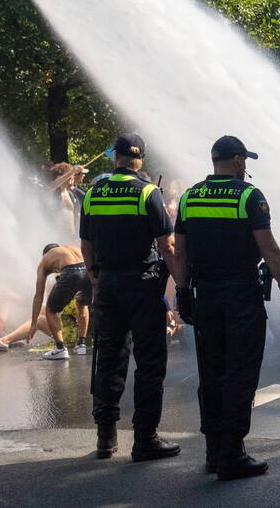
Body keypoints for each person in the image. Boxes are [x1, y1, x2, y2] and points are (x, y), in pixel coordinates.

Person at [173, 135, 280, 480]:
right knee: (239, 374)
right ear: (239, 160)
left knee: (211, 373)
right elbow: (269, 250)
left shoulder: (189, 196)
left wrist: (182, 292)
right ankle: (232, 454)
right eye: (245, 161)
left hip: (205, 296)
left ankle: (214, 452)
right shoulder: (248, 195)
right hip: (241, 295)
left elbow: (179, 253)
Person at [81, 133, 179, 462]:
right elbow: (166, 248)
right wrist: (182, 286)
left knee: (109, 359)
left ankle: (105, 438)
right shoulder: (149, 193)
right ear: (141, 160)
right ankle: (145, 439)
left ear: (116, 158)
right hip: (142, 284)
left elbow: (86, 245)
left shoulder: (93, 192)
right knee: (150, 362)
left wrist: (97, 279)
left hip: (108, 284)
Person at [23, 243, 90, 360]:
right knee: (82, 304)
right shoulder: (71, 249)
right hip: (88, 270)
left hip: (72, 272)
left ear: (45, 254)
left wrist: (33, 324)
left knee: (50, 309)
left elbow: (38, 296)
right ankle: (81, 345)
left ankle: (60, 349)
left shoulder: (45, 260)